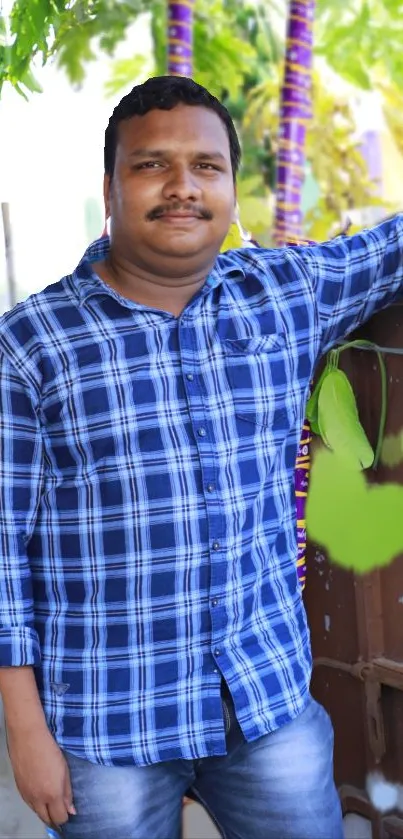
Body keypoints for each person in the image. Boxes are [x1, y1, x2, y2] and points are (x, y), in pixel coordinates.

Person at [0, 75, 402, 839]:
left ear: (229, 186)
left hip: (265, 705)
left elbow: (392, 248)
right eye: (152, 164)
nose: (182, 187)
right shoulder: (31, 345)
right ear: (111, 184)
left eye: (205, 166)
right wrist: (25, 730)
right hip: (104, 728)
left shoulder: (283, 295)